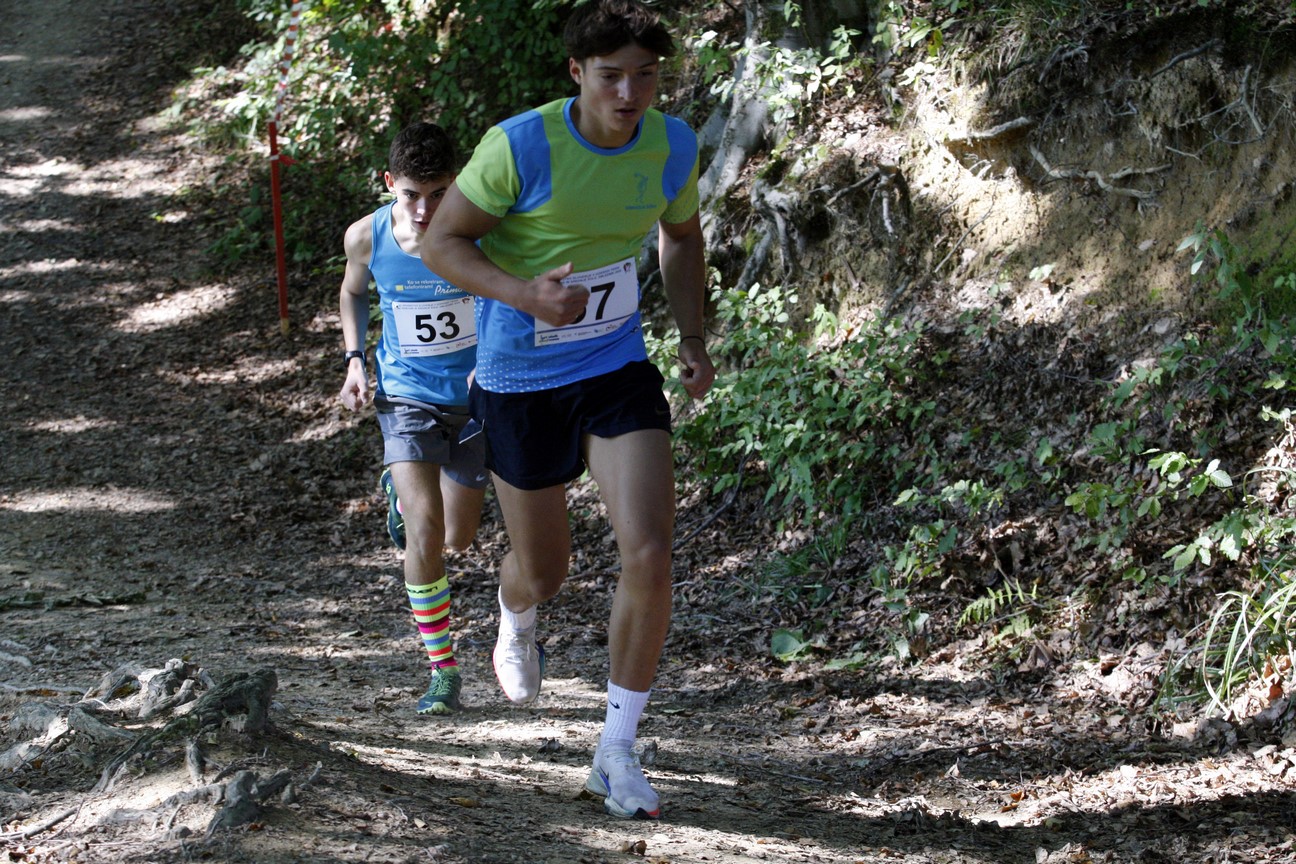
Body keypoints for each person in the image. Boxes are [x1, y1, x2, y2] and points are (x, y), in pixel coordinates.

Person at [422, 0, 714, 820]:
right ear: (576, 72)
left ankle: (616, 750)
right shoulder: (521, 145)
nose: (629, 93)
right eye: (611, 75)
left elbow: (682, 237)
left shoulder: (672, 145)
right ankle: (516, 612)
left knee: (649, 549)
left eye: (646, 76)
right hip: (519, 376)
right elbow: (443, 242)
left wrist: (692, 336)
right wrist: (524, 294)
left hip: (614, 365)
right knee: (546, 569)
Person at [338, 122, 488, 716]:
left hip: (477, 402)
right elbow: (353, 292)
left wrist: (494, 362)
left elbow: (507, 297)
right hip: (406, 397)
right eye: (411, 195)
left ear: (458, 183)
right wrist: (354, 359)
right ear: (388, 183)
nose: (424, 210)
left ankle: (401, 499)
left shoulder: (484, 232)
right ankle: (442, 670)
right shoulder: (366, 236)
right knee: (425, 532)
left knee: (457, 537)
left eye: (438, 193)